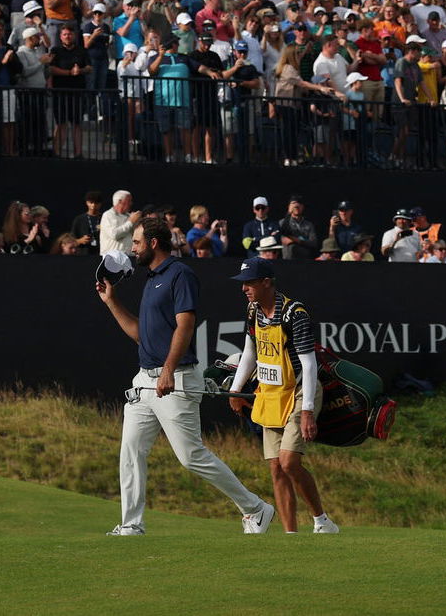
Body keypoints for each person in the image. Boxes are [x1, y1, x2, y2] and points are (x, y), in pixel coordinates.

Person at [95, 216, 274, 537]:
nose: (132, 249)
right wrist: (112, 302)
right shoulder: (151, 280)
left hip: (175, 379)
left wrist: (167, 370)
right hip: (144, 382)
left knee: (191, 456)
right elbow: (141, 335)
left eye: (136, 243)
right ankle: (131, 525)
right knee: (131, 451)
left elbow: (186, 325)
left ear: (152, 243)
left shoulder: (180, 274)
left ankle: (255, 508)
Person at [228, 258, 338, 534]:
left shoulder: (294, 313)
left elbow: (309, 363)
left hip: (301, 391)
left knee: (289, 461)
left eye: (250, 283)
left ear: (267, 282)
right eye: (243, 284)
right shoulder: (253, 310)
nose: (244, 289)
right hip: (271, 394)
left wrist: (309, 411)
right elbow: (250, 352)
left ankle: (322, 521)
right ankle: (291, 537)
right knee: (276, 467)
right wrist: (235, 390)